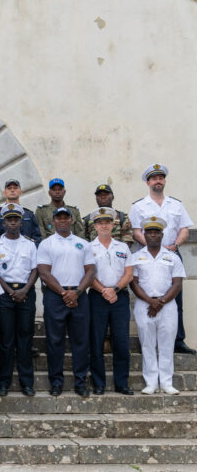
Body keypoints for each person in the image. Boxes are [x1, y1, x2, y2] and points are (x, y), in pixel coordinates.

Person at [129, 164, 195, 355]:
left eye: (161, 177)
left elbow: (184, 229)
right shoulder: (139, 206)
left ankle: (177, 341)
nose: (158, 181)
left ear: (164, 181)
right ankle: (149, 340)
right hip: (147, 256)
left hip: (172, 253)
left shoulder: (176, 204)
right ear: (148, 182)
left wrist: (173, 246)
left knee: (176, 299)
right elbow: (135, 232)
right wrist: (152, 246)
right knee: (146, 294)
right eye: (154, 178)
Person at [36, 207, 95, 397]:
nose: (62, 220)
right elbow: (44, 272)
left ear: (71, 220)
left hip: (79, 295)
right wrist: (63, 293)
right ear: (53, 221)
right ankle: (56, 382)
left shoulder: (83, 243)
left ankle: (80, 382)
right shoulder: (46, 244)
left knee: (81, 341)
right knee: (55, 341)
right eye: (58, 217)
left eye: (66, 217)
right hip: (55, 296)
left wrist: (76, 292)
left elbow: (91, 271)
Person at [129, 216, 186, 395]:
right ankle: (151, 382)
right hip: (144, 304)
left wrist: (160, 302)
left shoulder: (172, 257)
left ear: (162, 235)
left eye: (156, 232)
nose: (153, 235)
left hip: (167, 305)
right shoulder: (136, 257)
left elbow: (177, 284)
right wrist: (150, 301)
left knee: (167, 344)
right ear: (144, 235)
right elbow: (133, 283)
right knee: (147, 344)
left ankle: (167, 382)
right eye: (150, 232)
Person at [0, 204, 38, 396]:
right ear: (3, 222)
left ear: (21, 222)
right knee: (5, 340)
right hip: (5, 294)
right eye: (9, 219)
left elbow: (35, 270)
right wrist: (9, 291)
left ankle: (27, 383)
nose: (13, 223)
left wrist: (24, 290)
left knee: (25, 339)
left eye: (16, 219)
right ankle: (3, 382)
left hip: (26, 293)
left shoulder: (30, 244)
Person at [87, 207, 134, 395]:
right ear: (95, 226)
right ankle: (99, 383)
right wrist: (104, 290)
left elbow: (129, 273)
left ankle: (121, 383)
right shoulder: (89, 248)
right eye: (100, 222)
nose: (104, 225)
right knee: (96, 341)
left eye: (107, 222)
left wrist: (114, 289)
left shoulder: (122, 247)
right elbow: (87, 274)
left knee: (121, 341)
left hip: (119, 297)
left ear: (113, 225)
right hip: (97, 297)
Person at [0, 179, 41, 244]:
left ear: (21, 192)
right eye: (9, 188)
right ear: (4, 193)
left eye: (15, 188)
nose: (12, 190)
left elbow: (37, 237)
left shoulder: (29, 214)